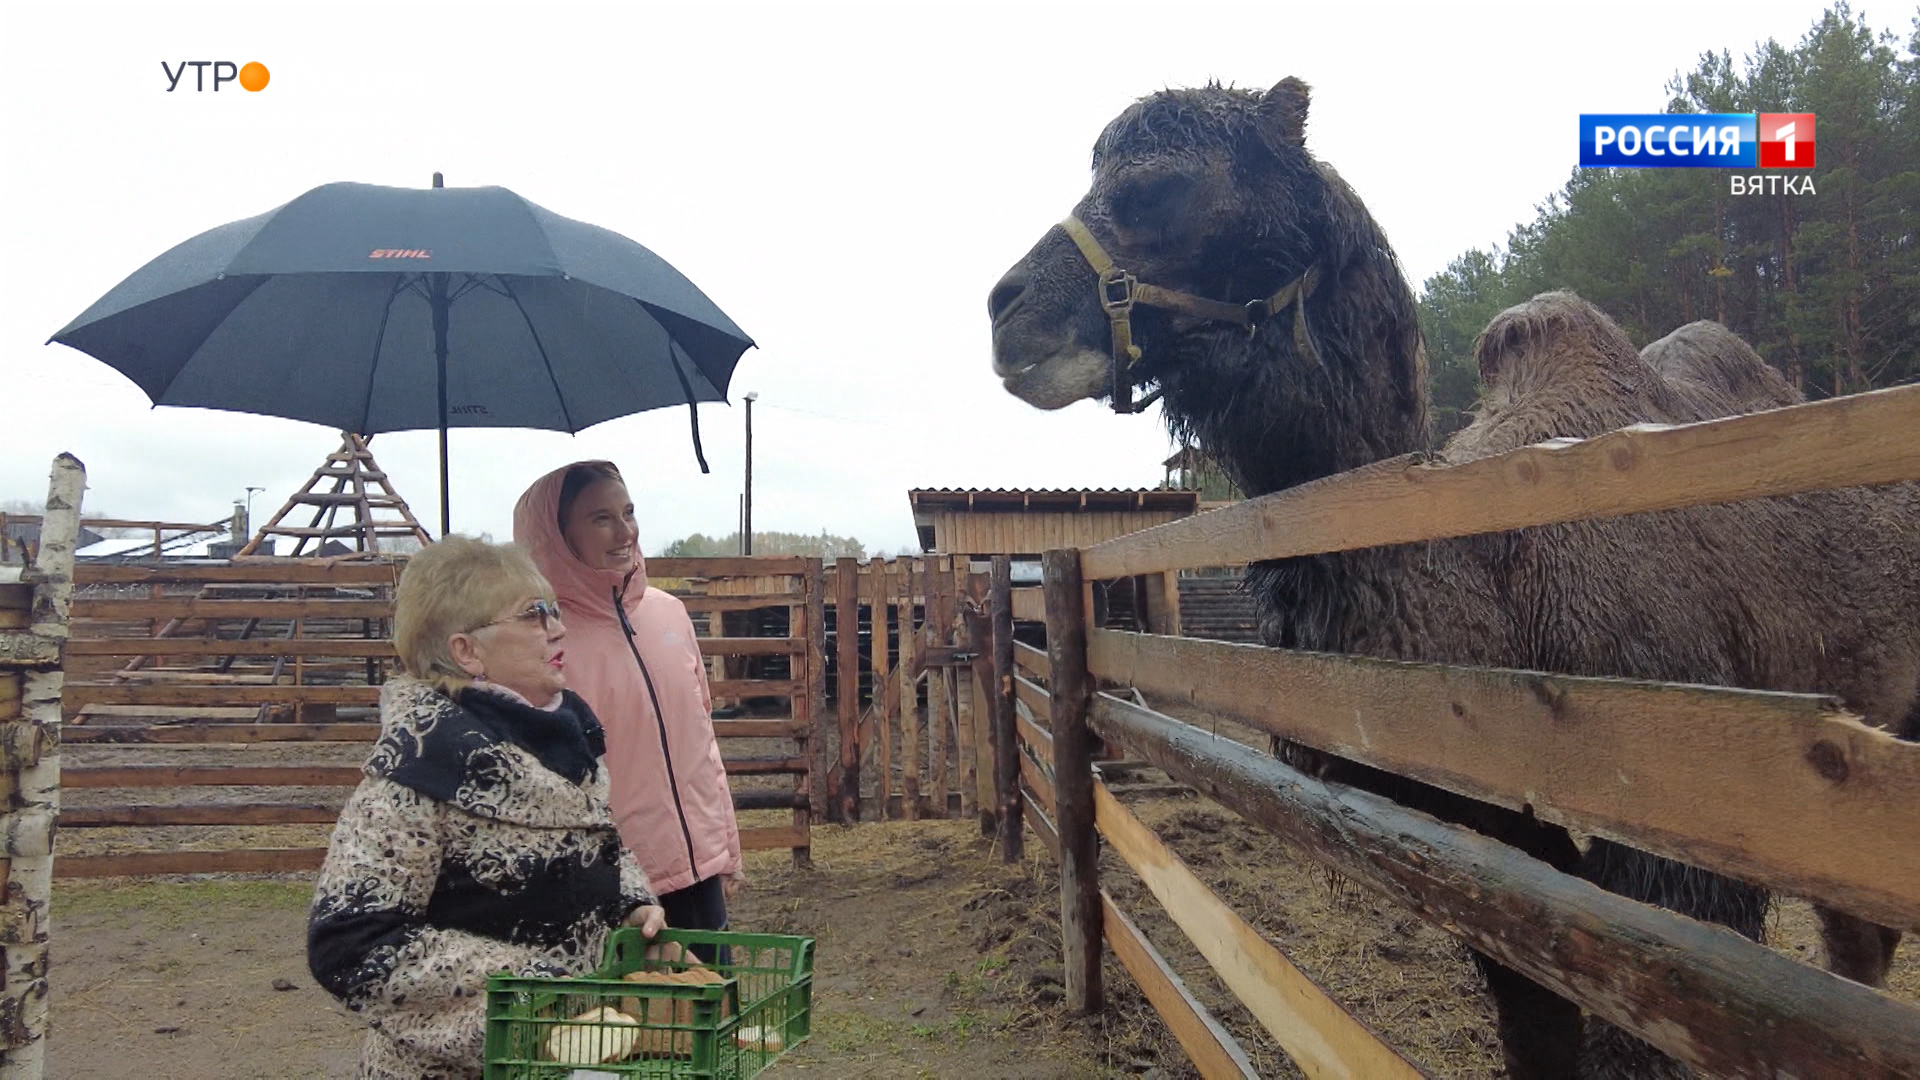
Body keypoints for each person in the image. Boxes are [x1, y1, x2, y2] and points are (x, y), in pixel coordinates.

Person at [308, 536, 667, 1080]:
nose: (558, 628)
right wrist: (526, 984)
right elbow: (351, 944)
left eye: (553, 610)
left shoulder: (561, 740)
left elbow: (591, 843)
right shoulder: (414, 775)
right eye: (532, 615)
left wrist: (630, 904)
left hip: (575, 1054)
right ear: (467, 651)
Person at [514, 461, 744, 954]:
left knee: (713, 1020)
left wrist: (725, 845)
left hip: (698, 866)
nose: (625, 531)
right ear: (556, 534)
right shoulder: (541, 640)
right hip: (610, 887)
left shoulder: (669, 614)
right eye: (601, 518)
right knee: (626, 1029)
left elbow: (701, 740)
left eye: (629, 511)